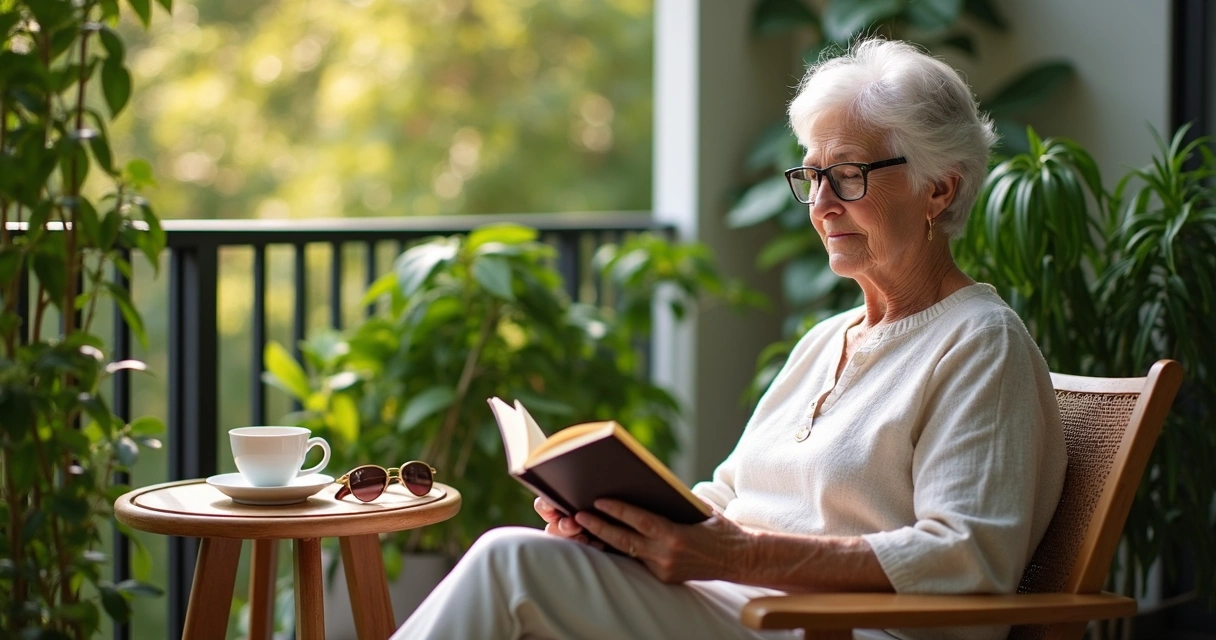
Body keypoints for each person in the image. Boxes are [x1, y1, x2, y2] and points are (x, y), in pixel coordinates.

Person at [393, 39, 1067, 640]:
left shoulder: (980, 343)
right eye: (811, 176)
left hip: (827, 627)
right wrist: (621, 527)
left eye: (850, 175)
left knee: (511, 567)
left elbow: (967, 558)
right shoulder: (827, 340)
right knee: (528, 556)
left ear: (938, 190)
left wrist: (734, 555)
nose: (822, 204)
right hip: (740, 603)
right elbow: (728, 497)